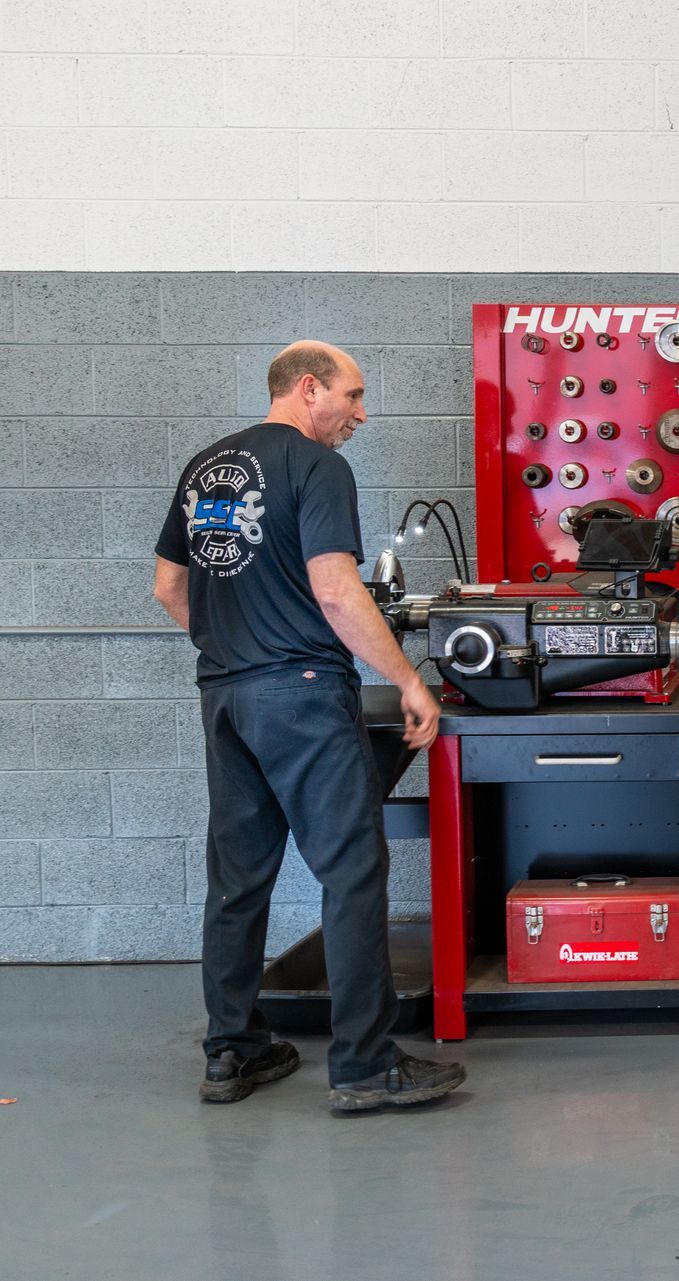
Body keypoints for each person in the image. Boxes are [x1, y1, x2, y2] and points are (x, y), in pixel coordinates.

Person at [154, 340, 466, 1114]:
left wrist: (237, 651)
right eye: (352, 396)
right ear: (307, 388)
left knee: (237, 878)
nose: (361, 413)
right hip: (299, 692)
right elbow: (335, 591)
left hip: (225, 695)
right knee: (352, 869)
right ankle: (363, 1063)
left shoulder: (206, 467)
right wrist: (406, 680)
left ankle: (233, 1051)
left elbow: (167, 587)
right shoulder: (316, 465)